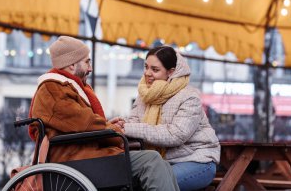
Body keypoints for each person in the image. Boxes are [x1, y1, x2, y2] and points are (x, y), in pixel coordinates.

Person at [28, 36, 180, 191]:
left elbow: (83, 123)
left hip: (84, 156)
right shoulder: (53, 89)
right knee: (152, 161)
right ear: (72, 65)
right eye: (87, 62)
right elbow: (86, 123)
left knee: (162, 164)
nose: (90, 68)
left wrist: (108, 126)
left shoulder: (61, 87)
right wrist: (114, 130)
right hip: (79, 160)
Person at [122, 46, 221, 191]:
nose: (147, 73)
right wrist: (123, 124)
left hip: (196, 161)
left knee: (153, 182)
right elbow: (133, 124)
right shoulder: (144, 95)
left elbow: (175, 135)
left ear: (171, 72)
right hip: (158, 163)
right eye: (146, 67)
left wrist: (128, 128)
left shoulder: (189, 97)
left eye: (155, 70)